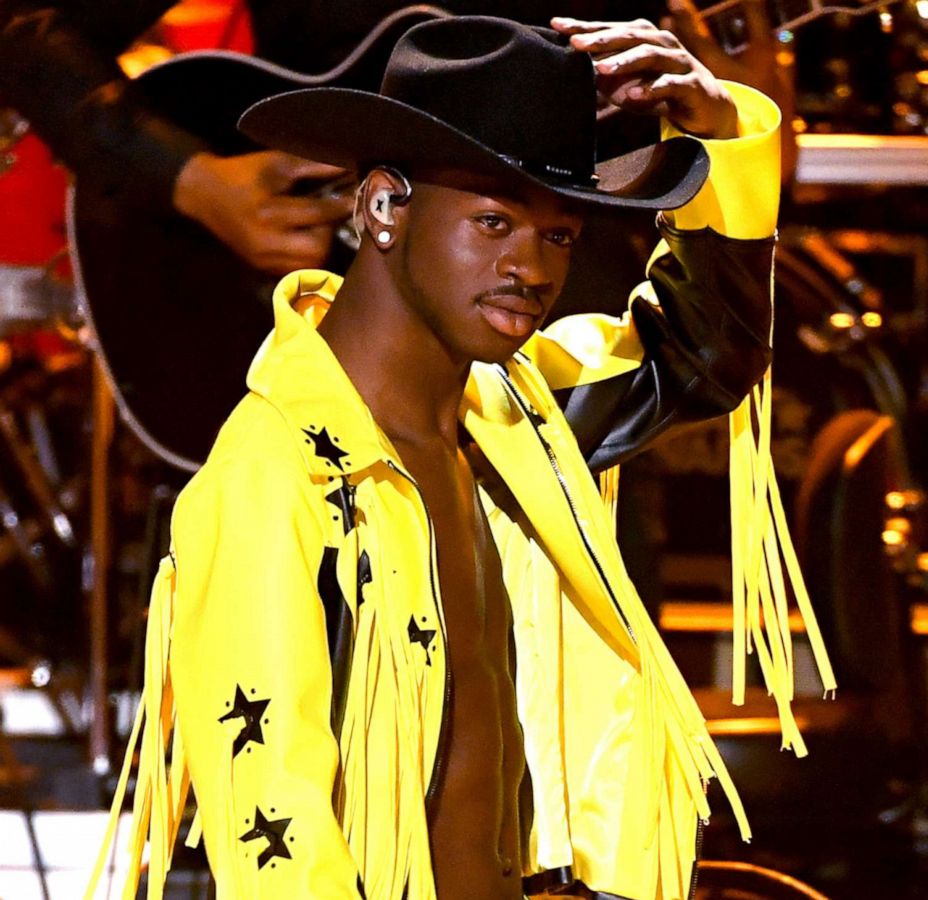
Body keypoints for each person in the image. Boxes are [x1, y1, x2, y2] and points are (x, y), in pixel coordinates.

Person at [89, 14, 827, 900]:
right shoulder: (279, 477)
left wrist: (715, 132)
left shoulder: (517, 418)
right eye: (492, 221)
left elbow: (703, 354)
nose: (531, 267)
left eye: (559, 235)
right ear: (383, 208)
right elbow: (275, 823)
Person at [0, 0, 795, 279]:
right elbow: (29, 30)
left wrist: (734, 109)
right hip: (305, 360)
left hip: (566, 368)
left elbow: (760, 176)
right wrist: (193, 180)